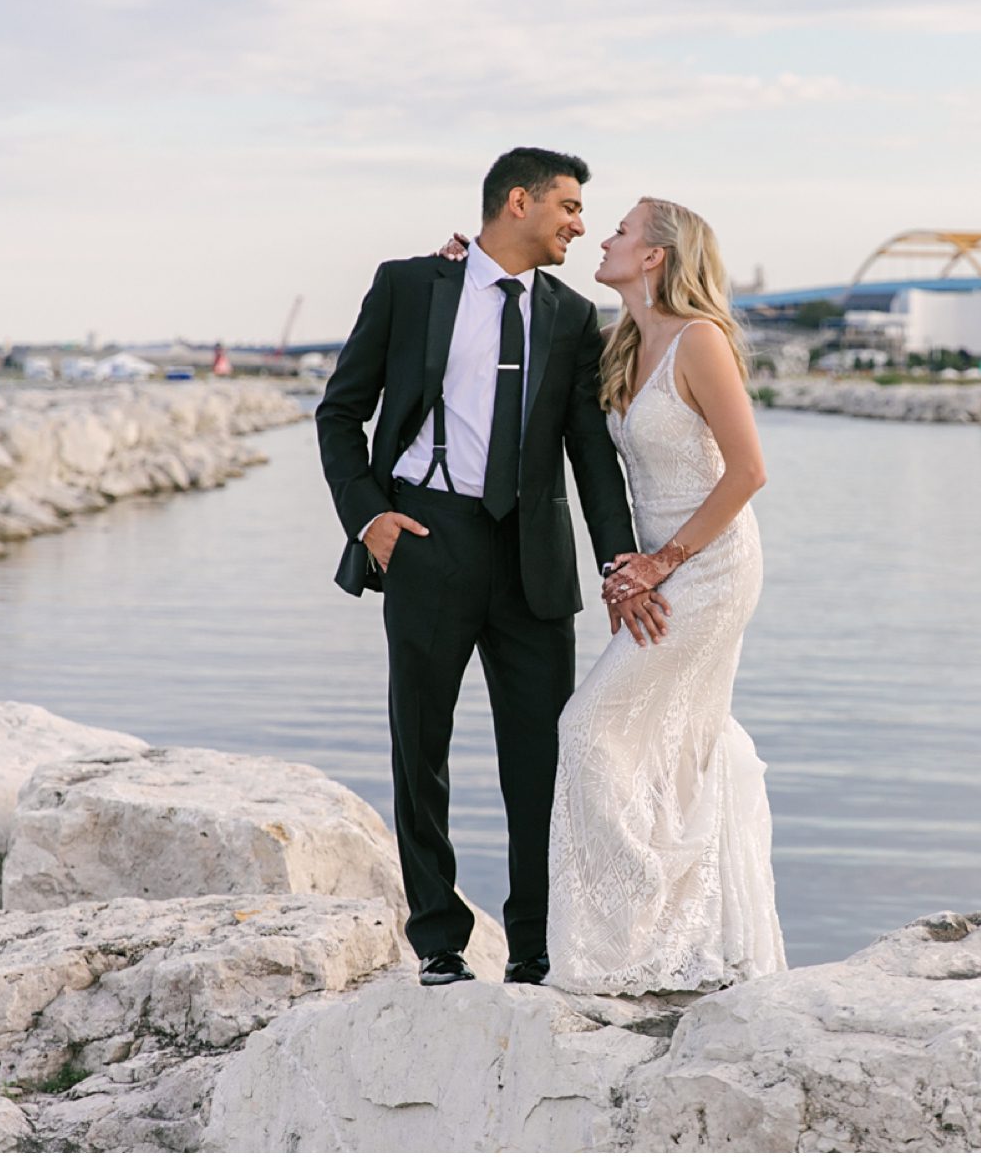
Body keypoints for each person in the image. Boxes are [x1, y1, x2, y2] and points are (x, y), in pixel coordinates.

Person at [315, 148, 668, 989]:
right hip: (427, 539)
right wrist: (370, 516)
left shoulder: (575, 317)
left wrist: (621, 564)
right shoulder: (409, 286)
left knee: (541, 758)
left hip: (533, 558)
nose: (581, 225)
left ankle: (535, 945)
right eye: (571, 207)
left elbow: (590, 456)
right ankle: (438, 939)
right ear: (520, 201)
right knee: (421, 745)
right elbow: (340, 411)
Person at [542, 196, 786, 995]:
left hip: (710, 569)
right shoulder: (622, 340)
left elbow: (748, 470)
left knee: (588, 728)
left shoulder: (699, 339)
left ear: (655, 255)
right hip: (660, 568)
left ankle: (635, 926)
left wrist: (663, 560)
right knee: (668, 742)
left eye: (619, 230)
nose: (603, 238)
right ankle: (677, 939)